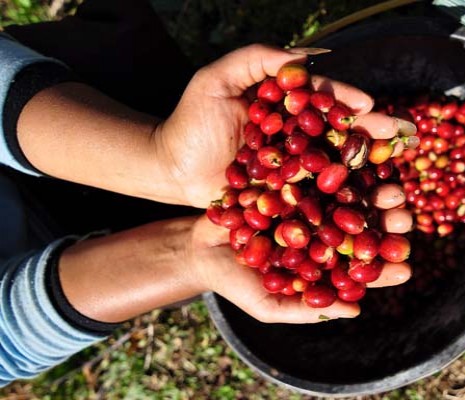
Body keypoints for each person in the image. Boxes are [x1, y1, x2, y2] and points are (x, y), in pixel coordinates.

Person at [0, 0, 417, 388]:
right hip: (78, 270)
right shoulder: (288, 202)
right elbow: (7, 345)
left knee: (126, 54)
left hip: (58, 112)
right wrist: (184, 256)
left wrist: (160, 160)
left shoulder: (270, 180)